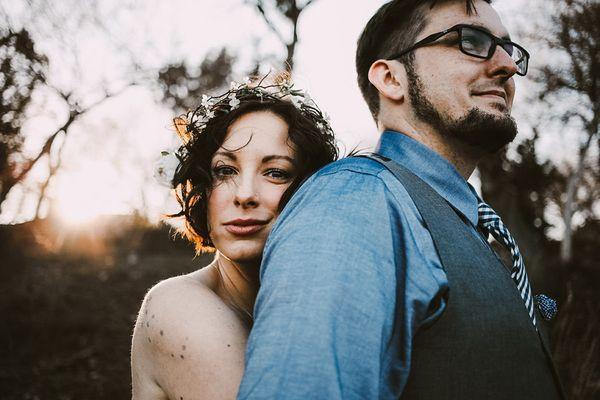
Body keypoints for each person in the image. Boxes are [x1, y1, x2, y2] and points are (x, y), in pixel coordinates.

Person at [237, 1, 564, 399]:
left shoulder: (464, 221)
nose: (507, 67)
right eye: (472, 41)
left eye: (509, 50)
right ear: (391, 78)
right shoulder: (355, 200)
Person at [130, 75, 338, 400]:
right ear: (203, 187)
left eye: (276, 172)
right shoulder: (177, 307)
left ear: (310, 189)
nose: (244, 195)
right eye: (225, 170)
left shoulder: (319, 304)